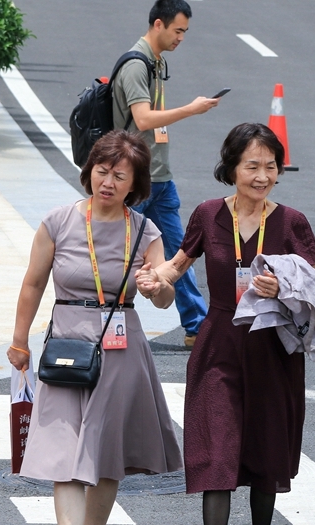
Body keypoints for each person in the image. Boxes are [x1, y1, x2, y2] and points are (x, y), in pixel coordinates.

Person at [136, 123, 315, 525]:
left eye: (271, 167)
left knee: (266, 455)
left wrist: (284, 289)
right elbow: (178, 263)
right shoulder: (208, 214)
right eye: (252, 166)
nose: (263, 176)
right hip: (219, 346)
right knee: (216, 457)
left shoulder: (292, 222)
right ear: (232, 168)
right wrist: (156, 279)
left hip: (273, 349)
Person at [6, 130, 182, 525]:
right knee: (62, 450)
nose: (109, 182)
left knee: (105, 453)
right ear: (90, 172)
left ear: (135, 185)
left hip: (121, 348)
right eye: (103, 171)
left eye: (120, 176)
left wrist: (156, 287)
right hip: (67, 343)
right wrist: (19, 343)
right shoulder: (58, 222)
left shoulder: (144, 231)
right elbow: (33, 283)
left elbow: (163, 296)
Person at [113, 0, 220, 347]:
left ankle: (196, 325)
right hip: (136, 180)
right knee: (120, 252)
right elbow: (143, 119)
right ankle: (105, 322)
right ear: (158, 24)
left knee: (181, 253)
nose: (181, 38)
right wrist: (191, 109)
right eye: (178, 30)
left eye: (184, 32)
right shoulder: (136, 64)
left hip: (160, 177)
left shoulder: (157, 62)